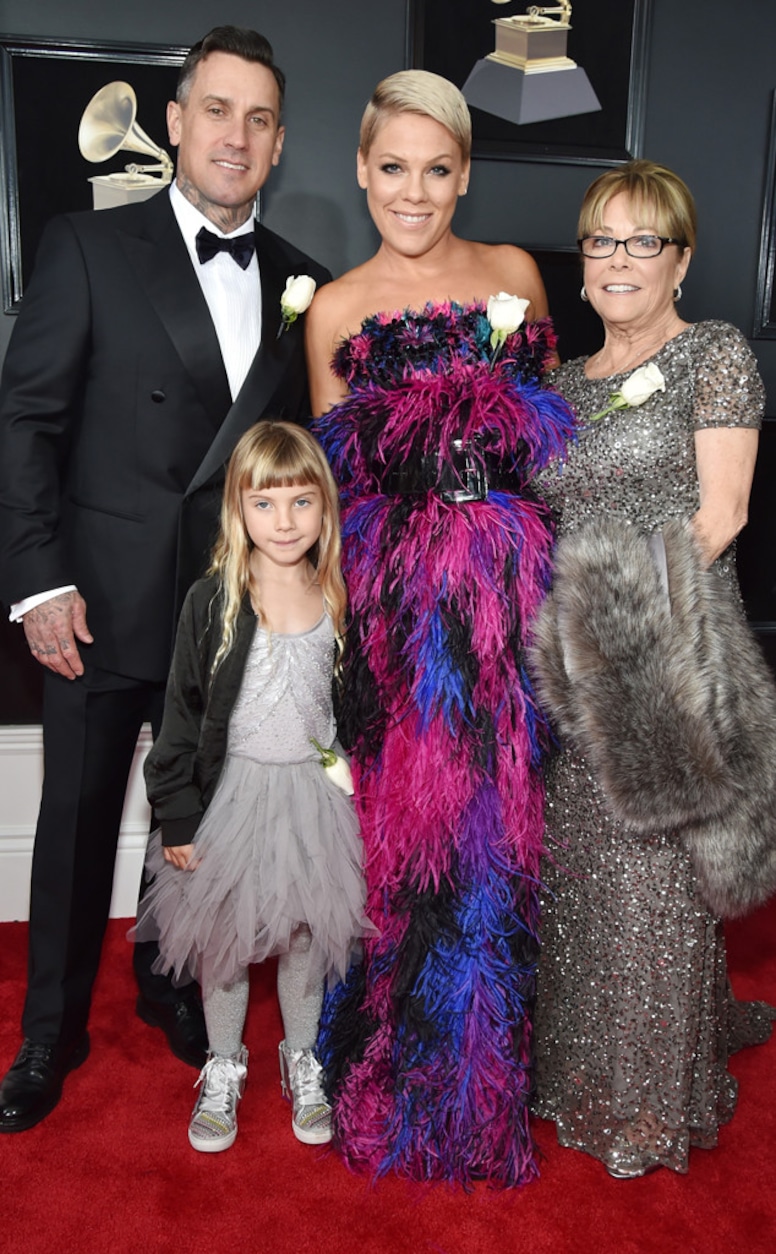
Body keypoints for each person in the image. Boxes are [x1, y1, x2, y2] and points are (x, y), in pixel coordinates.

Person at [0, 25, 330, 1133]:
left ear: (278, 142)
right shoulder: (87, 246)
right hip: (96, 601)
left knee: (196, 814)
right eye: (216, 110)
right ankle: (48, 1029)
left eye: (258, 118)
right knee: (78, 822)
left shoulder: (302, 281)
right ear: (177, 122)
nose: (235, 135)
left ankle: (165, 980)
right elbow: (26, 421)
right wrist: (39, 581)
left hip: (229, 614)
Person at [305, 70, 576, 1186]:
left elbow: (553, 441)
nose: (411, 193)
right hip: (396, 617)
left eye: (435, 170)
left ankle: (486, 1083)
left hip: (507, 603)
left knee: (494, 838)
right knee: (403, 848)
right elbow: (324, 490)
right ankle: (402, 1083)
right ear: (361, 171)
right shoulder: (331, 305)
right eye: (390, 169)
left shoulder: (513, 275)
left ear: (463, 173)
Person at [531, 158, 775, 1177]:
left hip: (659, 646)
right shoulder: (552, 384)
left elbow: (721, 516)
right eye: (600, 240)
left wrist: (613, 623)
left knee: (653, 885)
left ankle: (644, 1101)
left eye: (642, 241)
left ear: (678, 260)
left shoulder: (711, 355)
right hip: (564, 662)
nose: (617, 259)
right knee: (578, 873)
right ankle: (571, 1068)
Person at [133, 420, 370, 1152]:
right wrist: (177, 816)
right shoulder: (213, 602)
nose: (284, 521)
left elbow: (357, 709)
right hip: (232, 800)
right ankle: (224, 1062)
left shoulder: (339, 595)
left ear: (325, 509)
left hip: (314, 801)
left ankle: (302, 1058)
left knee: (306, 932)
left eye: (302, 502)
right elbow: (179, 720)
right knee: (226, 942)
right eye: (265, 504)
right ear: (238, 509)